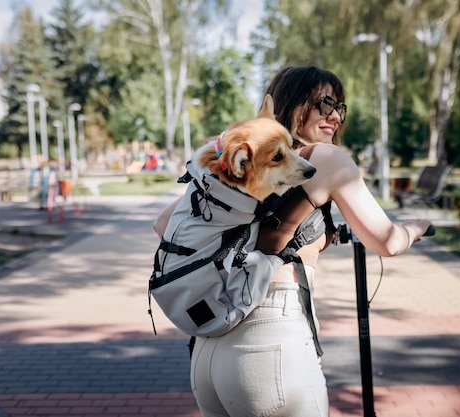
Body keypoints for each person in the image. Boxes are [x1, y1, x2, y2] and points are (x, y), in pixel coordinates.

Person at [153, 65, 432, 417]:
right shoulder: (326, 158)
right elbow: (387, 241)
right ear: (294, 104)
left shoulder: (246, 165)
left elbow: (163, 223)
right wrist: (416, 227)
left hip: (209, 351)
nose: (335, 116)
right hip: (270, 342)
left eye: (340, 107)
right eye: (325, 104)